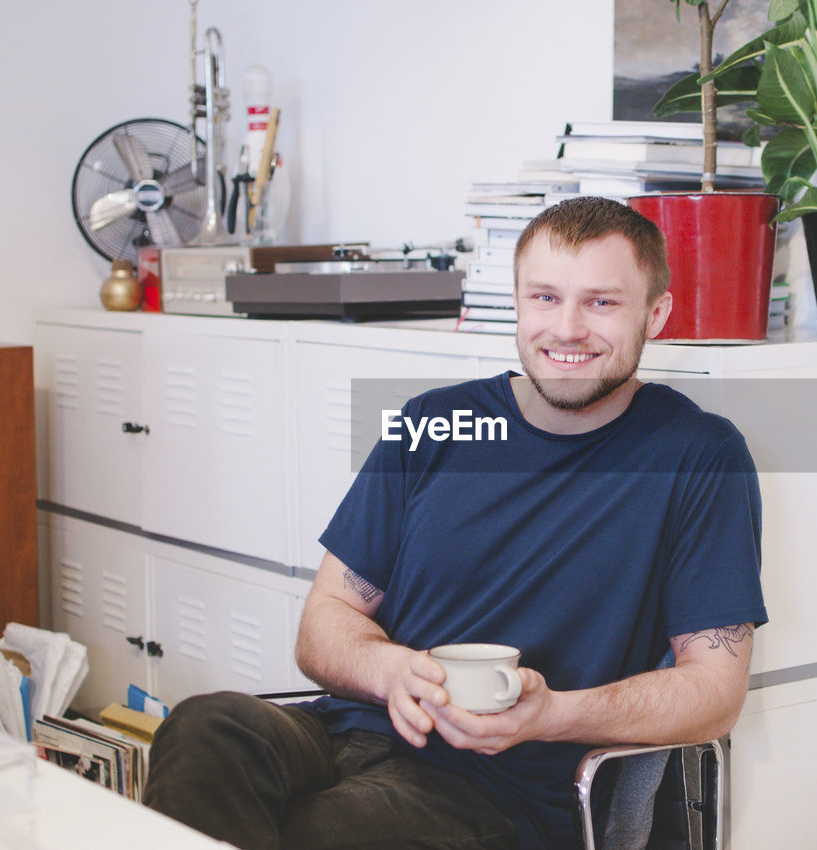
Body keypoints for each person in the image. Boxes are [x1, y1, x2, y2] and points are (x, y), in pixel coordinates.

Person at [143, 197, 766, 850]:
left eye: (601, 303)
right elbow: (324, 622)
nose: (568, 328)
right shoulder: (436, 423)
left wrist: (553, 714)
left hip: (493, 789)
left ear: (655, 314)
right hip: (349, 730)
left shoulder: (698, 456)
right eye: (545, 298)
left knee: (306, 834)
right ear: (519, 304)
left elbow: (714, 691)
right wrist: (390, 672)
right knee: (203, 727)